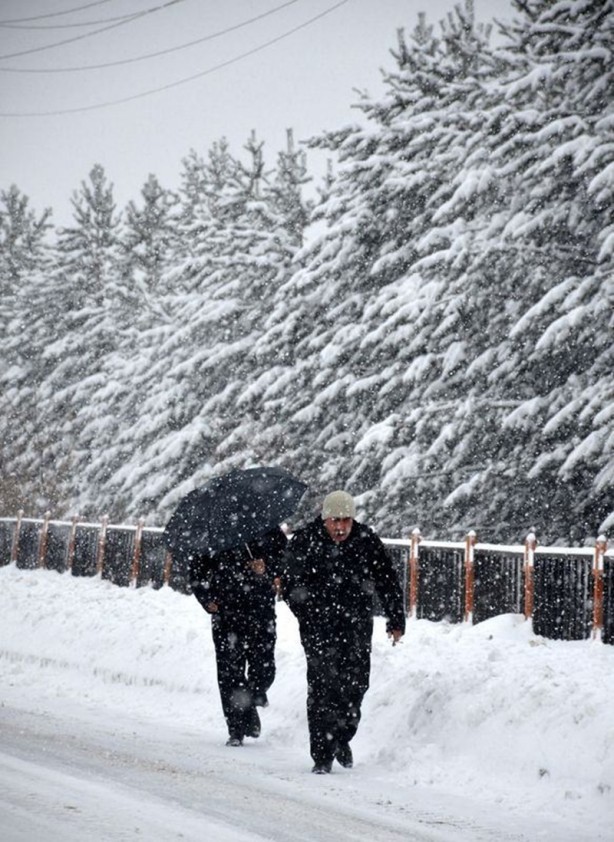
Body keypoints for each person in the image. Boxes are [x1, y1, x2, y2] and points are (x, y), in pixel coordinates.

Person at [279, 490, 405, 774]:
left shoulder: (366, 541)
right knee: (323, 688)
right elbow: (288, 584)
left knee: (355, 687)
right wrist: (308, 611)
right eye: (335, 521)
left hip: (356, 627)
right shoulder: (305, 542)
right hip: (318, 629)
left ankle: (341, 737)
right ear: (324, 519)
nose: (340, 528)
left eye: (346, 521)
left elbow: (387, 581)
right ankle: (322, 755)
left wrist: (396, 619)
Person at [189, 527, 287, 747]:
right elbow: (196, 573)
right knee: (229, 673)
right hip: (225, 614)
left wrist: (267, 569)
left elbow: (287, 562)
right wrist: (207, 599)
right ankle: (236, 728)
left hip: (260, 614)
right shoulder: (213, 534)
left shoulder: (268, 529)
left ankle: (250, 702)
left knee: (264, 670)